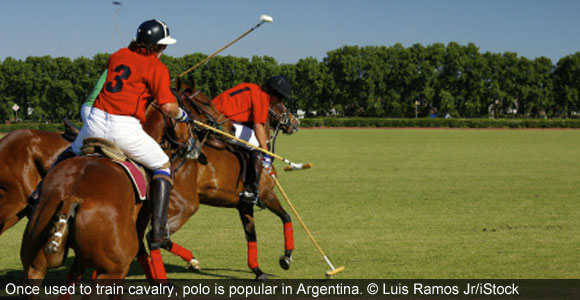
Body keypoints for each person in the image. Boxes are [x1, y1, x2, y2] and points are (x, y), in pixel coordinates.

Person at [69, 19, 187, 280]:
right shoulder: (157, 67)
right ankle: (158, 230)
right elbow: (167, 107)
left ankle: (35, 197)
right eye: (163, 47)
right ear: (157, 47)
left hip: (95, 121)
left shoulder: (116, 56)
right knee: (162, 165)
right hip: (124, 128)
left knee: (69, 154)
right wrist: (183, 115)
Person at [212, 75, 292, 206]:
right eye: (280, 98)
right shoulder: (263, 98)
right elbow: (258, 126)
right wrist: (266, 154)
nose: (278, 102)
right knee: (258, 146)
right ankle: (250, 191)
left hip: (210, 115)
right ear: (274, 93)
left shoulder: (251, 87)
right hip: (221, 123)